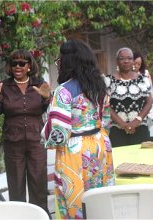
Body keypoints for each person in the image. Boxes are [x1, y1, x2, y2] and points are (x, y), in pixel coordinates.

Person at [41, 39, 115, 219]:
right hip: (100, 144)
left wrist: (45, 138)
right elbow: (105, 118)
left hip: (74, 149)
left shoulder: (64, 91)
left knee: (75, 199)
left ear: (67, 62)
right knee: (100, 192)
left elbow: (59, 133)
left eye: (59, 59)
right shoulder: (101, 85)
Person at [0, 49, 51, 216]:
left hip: (36, 141)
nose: (18, 66)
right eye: (14, 63)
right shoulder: (4, 86)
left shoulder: (38, 84)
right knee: (16, 186)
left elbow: (47, 108)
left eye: (22, 63)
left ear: (29, 65)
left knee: (39, 183)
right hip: (13, 143)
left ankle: (40, 216)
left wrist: (46, 98)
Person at [106, 47, 153, 147]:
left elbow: (149, 102)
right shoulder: (108, 80)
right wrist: (123, 124)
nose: (126, 61)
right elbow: (106, 105)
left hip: (140, 128)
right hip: (117, 130)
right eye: (122, 58)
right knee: (120, 161)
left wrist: (137, 121)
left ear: (133, 60)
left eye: (129, 58)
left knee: (143, 161)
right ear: (117, 61)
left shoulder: (143, 79)